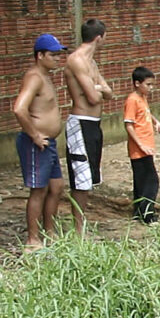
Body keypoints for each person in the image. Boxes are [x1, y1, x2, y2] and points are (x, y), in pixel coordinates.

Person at [11, 33, 70, 247]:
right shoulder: (34, 77)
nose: (57, 58)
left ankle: (49, 233)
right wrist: (35, 135)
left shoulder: (45, 76)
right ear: (40, 55)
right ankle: (33, 240)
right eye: (53, 55)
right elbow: (19, 109)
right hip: (37, 143)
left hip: (49, 144)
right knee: (39, 189)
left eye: (58, 55)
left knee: (56, 187)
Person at [61, 18, 115, 225]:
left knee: (90, 177)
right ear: (99, 38)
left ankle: (82, 225)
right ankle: (78, 229)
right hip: (80, 122)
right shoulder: (77, 60)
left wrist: (98, 88)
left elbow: (108, 93)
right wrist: (98, 90)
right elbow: (93, 97)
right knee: (80, 178)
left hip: (94, 123)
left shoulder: (92, 63)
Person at [123, 65, 160, 223]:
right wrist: (140, 145)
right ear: (137, 83)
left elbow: (146, 113)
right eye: (148, 84)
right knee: (151, 181)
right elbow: (129, 124)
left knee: (141, 181)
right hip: (140, 149)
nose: (151, 88)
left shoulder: (142, 98)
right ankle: (147, 214)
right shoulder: (132, 100)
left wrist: (156, 122)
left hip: (147, 146)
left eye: (152, 85)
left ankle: (138, 212)